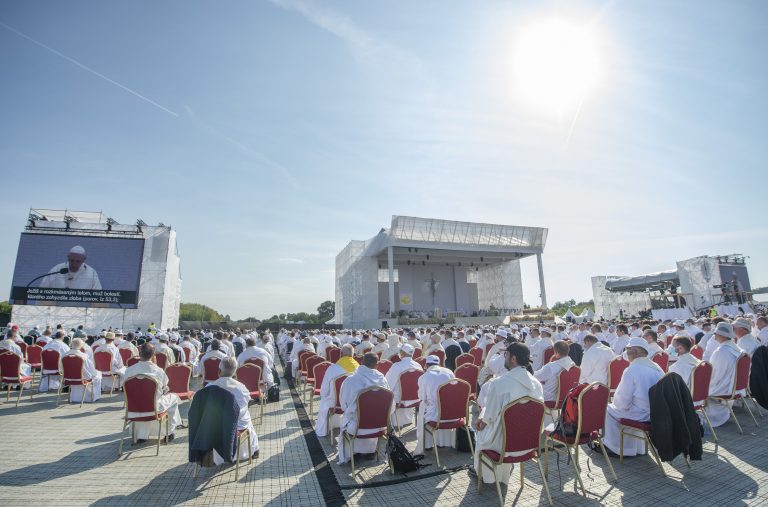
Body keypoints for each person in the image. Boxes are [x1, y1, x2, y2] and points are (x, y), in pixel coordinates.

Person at [474, 342, 544, 484]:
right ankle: (502, 477)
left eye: (506, 355)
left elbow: (490, 417)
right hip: (529, 443)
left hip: (504, 446)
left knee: (480, 433)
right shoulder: (536, 383)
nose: (504, 357)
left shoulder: (498, 383)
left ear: (513, 359)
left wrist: (481, 421)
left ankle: (487, 477)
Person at [603, 337, 664, 456]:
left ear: (635, 352)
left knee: (606, 410)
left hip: (641, 415)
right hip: (657, 413)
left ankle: (618, 449)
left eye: (628, 349)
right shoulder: (656, 367)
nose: (626, 352)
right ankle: (637, 449)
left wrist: (615, 404)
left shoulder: (632, 369)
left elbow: (621, 403)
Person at [337, 353, 390, 464]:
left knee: (348, 418)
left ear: (361, 363)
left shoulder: (350, 380)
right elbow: (391, 405)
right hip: (380, 427)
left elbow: (343, 405)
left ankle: (352, 453)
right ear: (377, 365)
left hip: (357, 428)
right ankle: (370, 450)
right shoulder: (383, 380)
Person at [124, 343, 182, 442]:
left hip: (133, 409)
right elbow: (165, 387)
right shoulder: (158, 371)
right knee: (174, 398)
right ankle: (169, 433)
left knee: (145, 399)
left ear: (139, 353)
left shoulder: (129, 371)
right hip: (154, 409)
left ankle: (142, 435)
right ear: (153, 355)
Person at [208, 357, 260, 462]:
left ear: (219, 371)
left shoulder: (209, 387)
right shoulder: (241, 388)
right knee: (246, 417)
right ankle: (254, 450)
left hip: (214, 428)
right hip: (237, 428)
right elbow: (246, 402)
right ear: (235, 372)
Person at [705, 322, 744, 427]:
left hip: (724, 388)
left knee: (693, 386)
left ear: (722, 335)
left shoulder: (720, 351)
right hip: (735, 387)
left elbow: (714, 375)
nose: (714, 336)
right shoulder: (738, 349)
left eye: (716, 333)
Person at [414, 355, 456, 454]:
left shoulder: (424, 377)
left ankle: (428, 445)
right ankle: (444, 442)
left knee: (423, 409)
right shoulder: (449, 372)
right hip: (453, 413)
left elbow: (421, 397)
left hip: (436, 416)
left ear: (426, 365)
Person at [316, 344, 358, 438]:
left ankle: (324, 429)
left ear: (341, 354)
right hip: (354, 404)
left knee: (324, 399)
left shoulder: (332, 368)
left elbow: (324, 390)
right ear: (353, 354)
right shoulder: (359, 368)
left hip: (335, 403)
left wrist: (324, 395)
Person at [384, 344, 424, 428]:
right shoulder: (418, 366)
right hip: (416, 398)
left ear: (403, 353)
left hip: (400, 400)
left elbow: (388, 384)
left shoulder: (396, 366)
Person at [533, 340, 576, 408]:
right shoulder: (573, 366)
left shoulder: (551, 367)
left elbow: (535, 376)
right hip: (567, 399)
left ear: (557, 353)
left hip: (549, 398)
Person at [63, 338, 102, 402]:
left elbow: (61, 369)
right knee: (98, 374)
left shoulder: (64, 355)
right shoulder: (84, 356)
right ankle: (94, 397)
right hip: (82, 379)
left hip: (68, 379)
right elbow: (92, 370)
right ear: (81, 346)